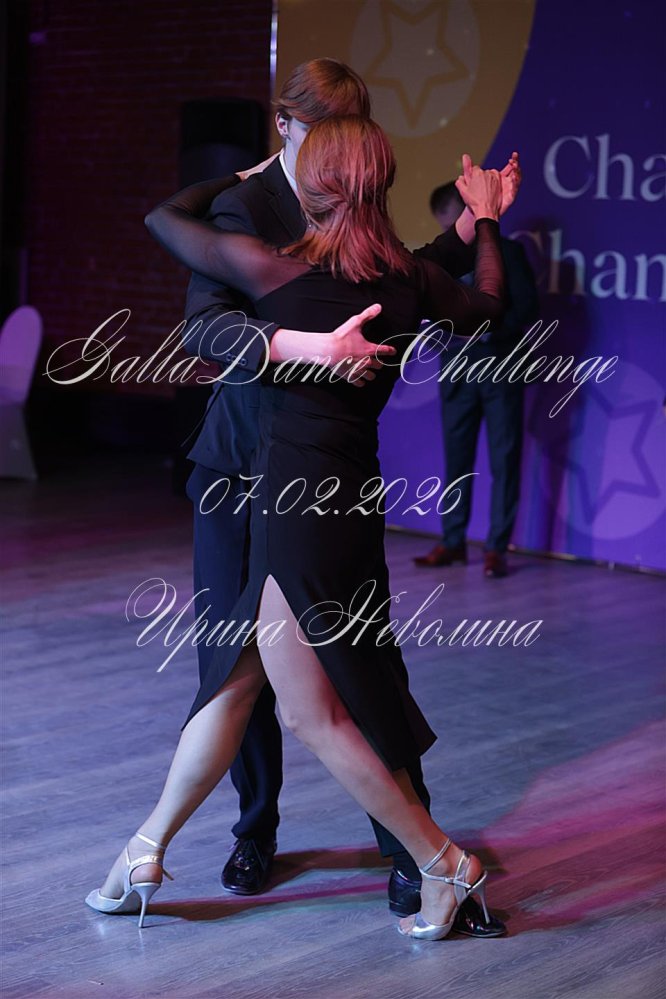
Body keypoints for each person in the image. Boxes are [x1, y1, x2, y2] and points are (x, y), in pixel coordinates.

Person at [86, 115, 507, 942]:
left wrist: (243, 176)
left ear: (314, 184)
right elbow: (489, 304)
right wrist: (486, 218)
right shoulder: (409, 280)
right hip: (343, 500)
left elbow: (166, 219)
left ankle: (442, 860)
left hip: (291, 505)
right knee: (237, 681)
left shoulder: (275, 271)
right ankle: (143, 852)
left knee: (311, 714)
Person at [415, 181, 539, 577]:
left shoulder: (509, 252)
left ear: (467, 210)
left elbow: (528, 309)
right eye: (443, 224)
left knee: (505, 459)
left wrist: (487, 331)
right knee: (457, 461)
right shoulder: (440, 258)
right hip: (455, 372)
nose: (450, 230)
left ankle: (496, 548)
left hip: (499, 368)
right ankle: (453, 541)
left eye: (452, 220)